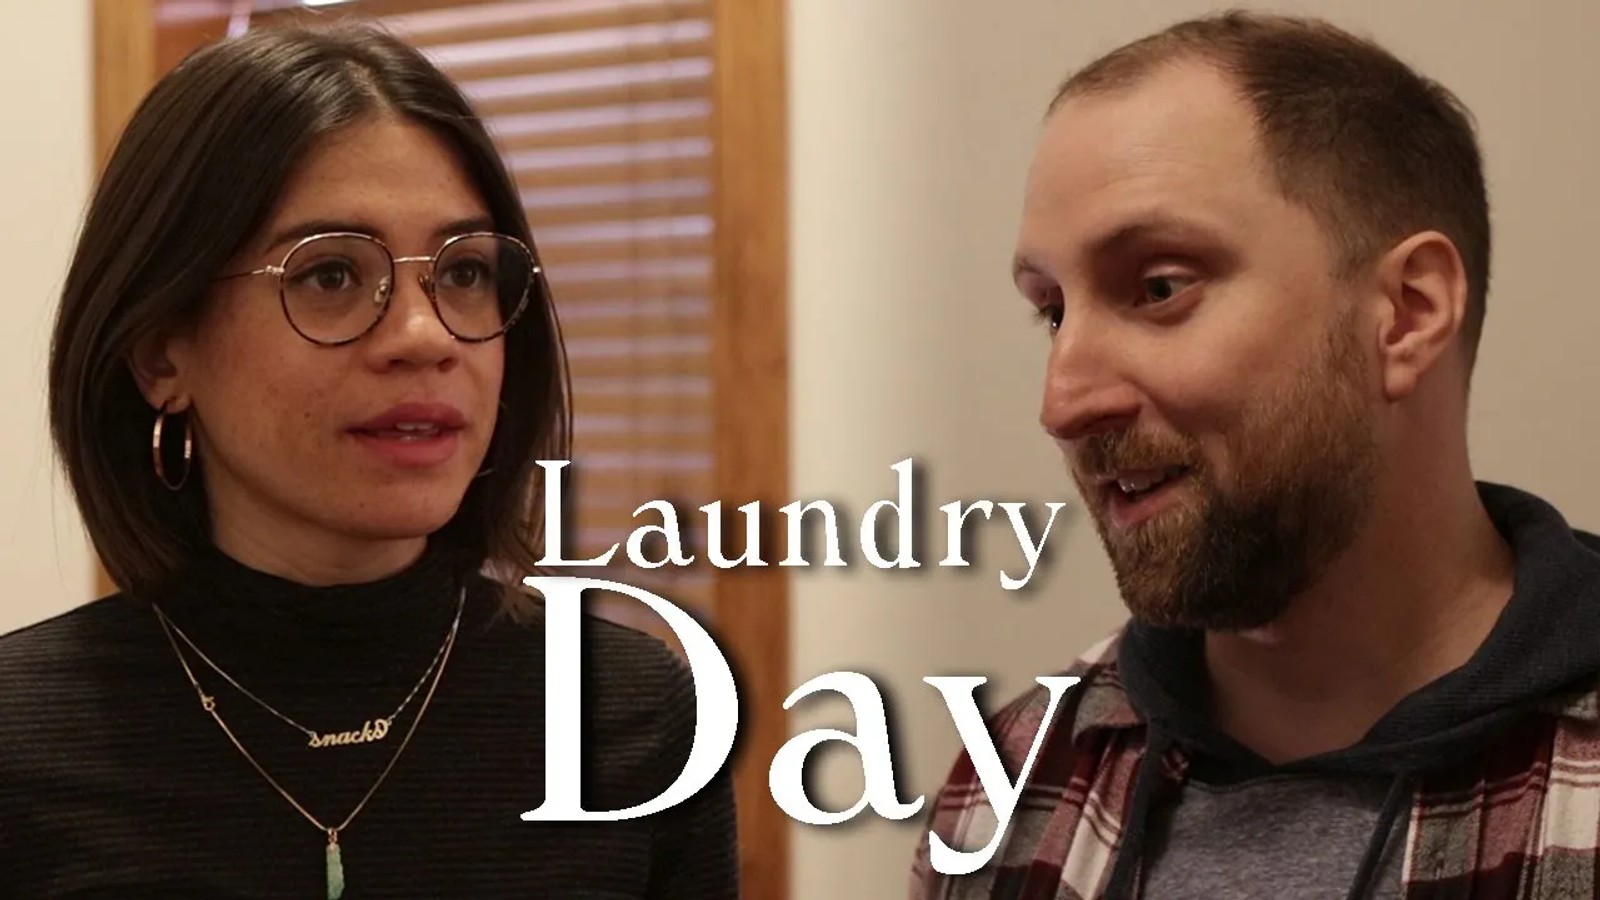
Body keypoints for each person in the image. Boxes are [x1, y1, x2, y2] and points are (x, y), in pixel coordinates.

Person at [0, 22, 737, 899]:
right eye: (331, 276)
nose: (425, 337)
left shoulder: (629, 714)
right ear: (163, 354)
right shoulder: (23, 746)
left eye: (462, 272)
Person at [913, 10, 1600, 900]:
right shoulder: (1008, 792)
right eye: (1053, 311)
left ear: (1408, 313)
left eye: (1160, 287)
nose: (1063, 402)